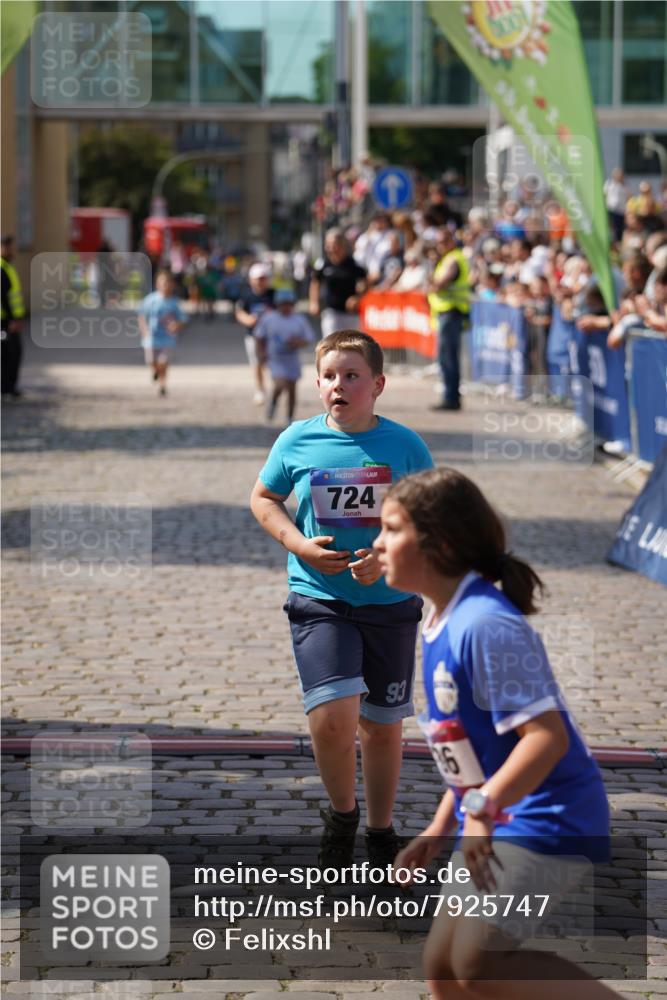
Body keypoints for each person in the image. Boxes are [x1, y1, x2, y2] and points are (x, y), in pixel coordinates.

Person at [373, 467, 616, 1000]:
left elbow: (545, 738)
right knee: (443, 969)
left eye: (392, 529)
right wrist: (440, 830)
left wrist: (481, 810)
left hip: (550, 817)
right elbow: (467, 750)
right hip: (493, 815)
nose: (378, 542)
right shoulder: (441, 617)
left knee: (476, 963)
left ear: (441, 543)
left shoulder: (486, 624)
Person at [249, 330, 433, 869]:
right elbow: (264, 498)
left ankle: (380, 830)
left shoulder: (405, 446)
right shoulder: (296, 441)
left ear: (377, 384)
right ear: (317, 383)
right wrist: (299, 544)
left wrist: (388, 555)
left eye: (352, 376)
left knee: (380, 724)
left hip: (389, 604)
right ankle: (342, 814)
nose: (339, 386)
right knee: (332, 719)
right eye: (330, 376)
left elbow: (430, 515)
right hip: (320, 599)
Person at [254, 288, 314, 424]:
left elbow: (309, 338)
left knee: (292, 390)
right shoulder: (269, 319)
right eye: (282, 304)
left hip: (292, 359)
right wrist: (260, 353)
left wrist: (297, 343)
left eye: (289, 304)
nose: (286, 307)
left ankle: (290, 417)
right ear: (277, 304)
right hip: (275, 359)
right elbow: (259, 336)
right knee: (280, 384)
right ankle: (274, 402)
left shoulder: (299, 320)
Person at [428, 227, 471, 411]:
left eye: (444, 241)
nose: (440, 245)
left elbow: (438, 285)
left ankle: (451, 398)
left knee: (448, 358)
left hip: (451, 313)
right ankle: (451, 396)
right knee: (447, 357)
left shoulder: (453, 259)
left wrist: (432, 281)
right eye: (438, 242)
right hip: (447, 314)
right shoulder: (446, 259)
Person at [309, 229, 367, 339]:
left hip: (351, 314)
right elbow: (315, 282)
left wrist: (357, 298)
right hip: (331, 312)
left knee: (351, 345)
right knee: (331, 343)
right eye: (329, 245)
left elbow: (364, 282)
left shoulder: (353, 264)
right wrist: (313, 302)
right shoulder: (323, 264)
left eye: (335, 245)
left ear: (343, 246)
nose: (332, 248)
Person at [137, 269, 186, 397]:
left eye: (168, 283)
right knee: (151, 361)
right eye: (162, 283)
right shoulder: (151, 299)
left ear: (172, 285)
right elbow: (141, 315)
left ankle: (162, 385)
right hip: (151, 337)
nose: (165, 286)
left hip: (168, 338)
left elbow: (183, 319)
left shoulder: (174, 302)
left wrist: (177, 325)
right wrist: (144, 330)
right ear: (157, 284)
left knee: (164, 362)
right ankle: (156, 371)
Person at [235, 262, 275, 405]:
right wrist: (248, 320)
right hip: (253, 336)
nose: (260, 282)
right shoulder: (246, 296)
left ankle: (276, 388)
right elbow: (239, 312)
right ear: (251, 280)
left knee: (272, 363)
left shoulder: (274, 295)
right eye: (257, 278)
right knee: (256, 363)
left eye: (263, 278)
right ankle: (260, 390)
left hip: (272, 338)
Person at [1, 235, 26, 399]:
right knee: (8, 354)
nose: (10, 250)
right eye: (6, 246)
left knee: (12, 353)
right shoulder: (1, 268)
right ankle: (6, 388)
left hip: (9, 321)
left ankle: (8, 387)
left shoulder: (7, 267)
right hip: (4, 322)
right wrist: (12, 321)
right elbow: (3, 297)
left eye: (10, 246)